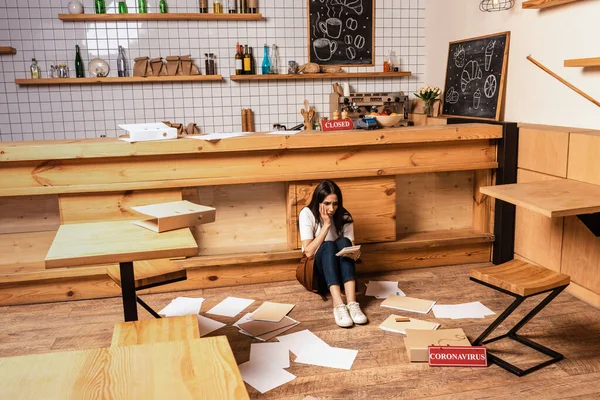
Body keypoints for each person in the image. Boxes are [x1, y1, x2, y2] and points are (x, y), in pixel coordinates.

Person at [298, 180, 368, 328]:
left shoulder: (344, 216)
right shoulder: (307, 213)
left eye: (335, 204)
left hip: (340, 274)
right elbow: (309, 252)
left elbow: (351, 248)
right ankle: (338, 305)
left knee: (344, 243)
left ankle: (352, 304)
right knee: (328, 245)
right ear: (318, 201)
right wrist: (326, 225)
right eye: (327, 203)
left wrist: (355, 254)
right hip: (317, 274)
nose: (331, 208)